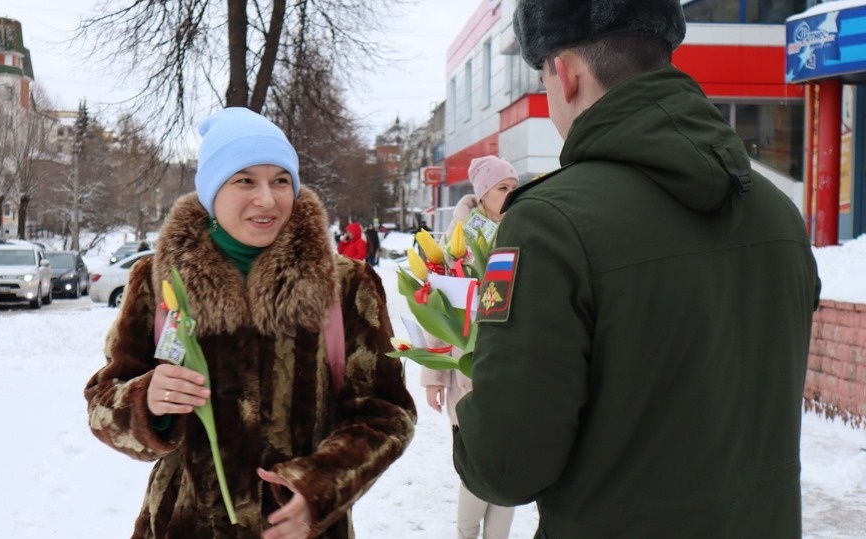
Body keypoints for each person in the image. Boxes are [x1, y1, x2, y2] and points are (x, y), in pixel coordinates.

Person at [453, 2, 821, 538]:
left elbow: (506, 468)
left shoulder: (549, 224)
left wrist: (470, 414)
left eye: (542, 76)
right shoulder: (777, 211)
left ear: (565, 72)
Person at [84, 107, 416, 539]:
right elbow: (102, 403)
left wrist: (318, 488)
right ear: (211, 191)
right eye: (245, 180)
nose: (267, 199)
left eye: (281, 180)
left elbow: (386, 414)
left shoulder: (346, 285)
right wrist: (147, 402)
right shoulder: (158, 280)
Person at [421, 155, 518, 539]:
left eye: (514, 186)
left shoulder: (522, 231)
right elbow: (438, 312)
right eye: (503, 188)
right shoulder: (459, 243)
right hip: (470, 375)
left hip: (513, 369)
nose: (511, 194)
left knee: (509, 466)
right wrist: (434, 376)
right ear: (482, 195)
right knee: (477, 465)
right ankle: (467, 534)